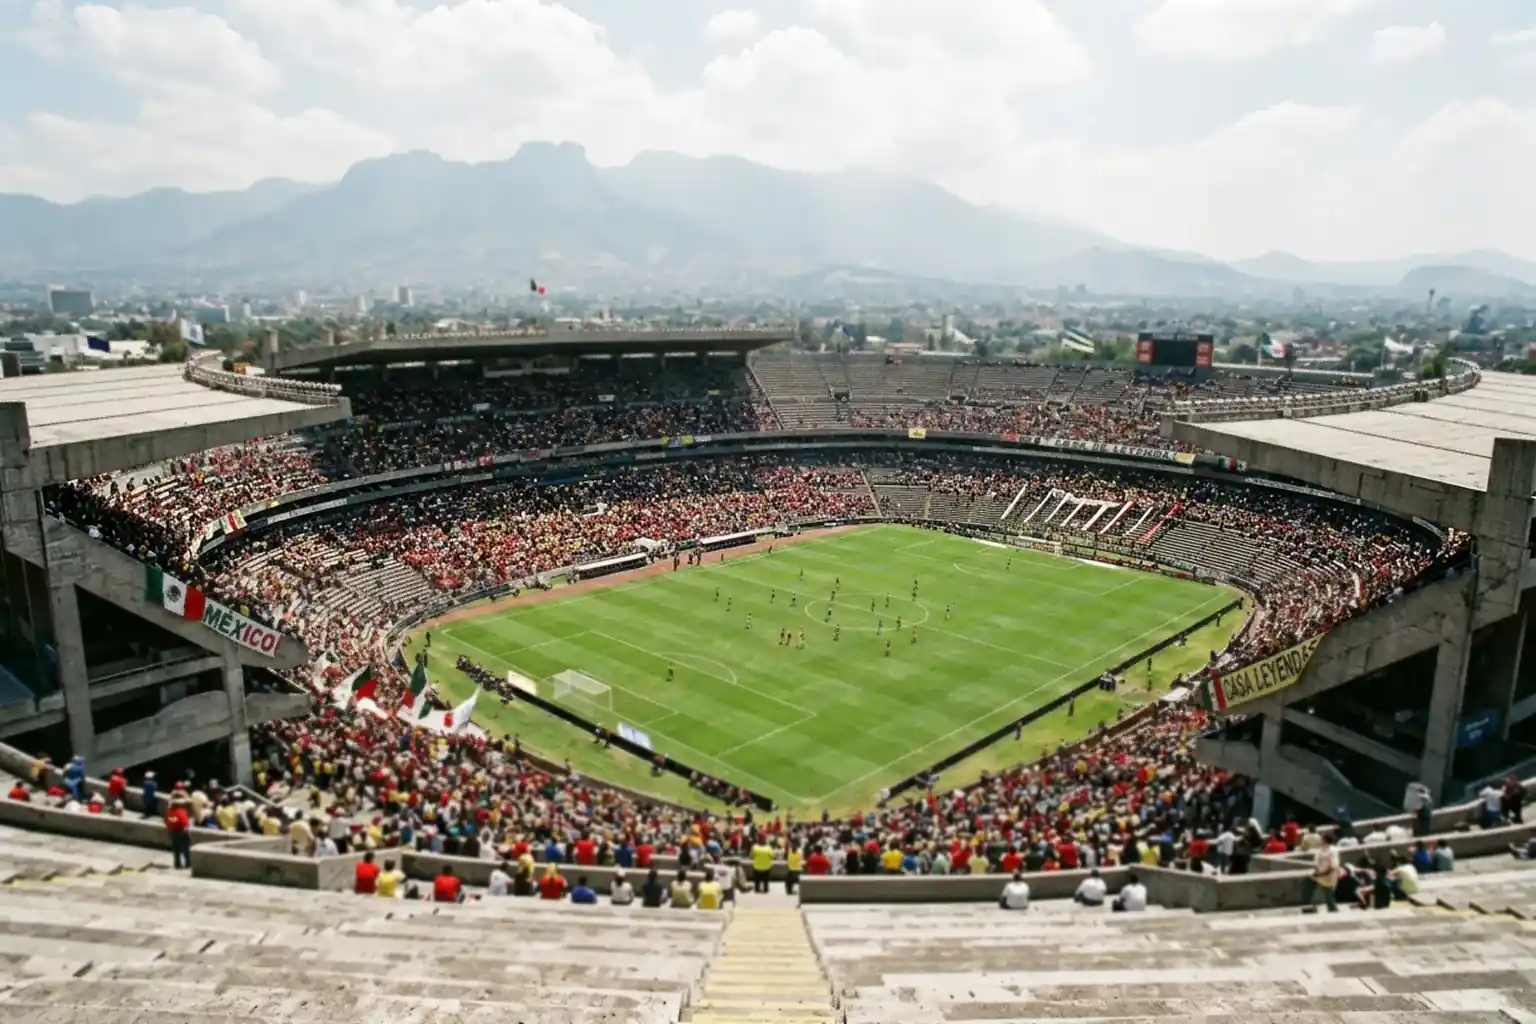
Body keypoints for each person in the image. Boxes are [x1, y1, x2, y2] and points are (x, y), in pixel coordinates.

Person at [1301, 835, 1339, 913]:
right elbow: (1316, 863)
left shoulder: (1332, 851)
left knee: (1328, 893)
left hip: (1328, 876)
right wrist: (1315, 872)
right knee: (1308, 884)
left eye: (1322, 839)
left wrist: (1321, 874)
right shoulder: (1320, 850)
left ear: (1325, 841)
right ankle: (1308, 905)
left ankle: (1332, 908)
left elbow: (1333, 867)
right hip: (1319, 875)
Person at [164, 797, 192, 870]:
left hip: (173, 832)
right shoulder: (181, 812)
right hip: (181, 832)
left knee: (176, 849)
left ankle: (177, 864)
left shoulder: (169, 812)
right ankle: (188, 863)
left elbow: (166, 821)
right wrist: (188, 833)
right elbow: (185, 824)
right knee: (185, 849)